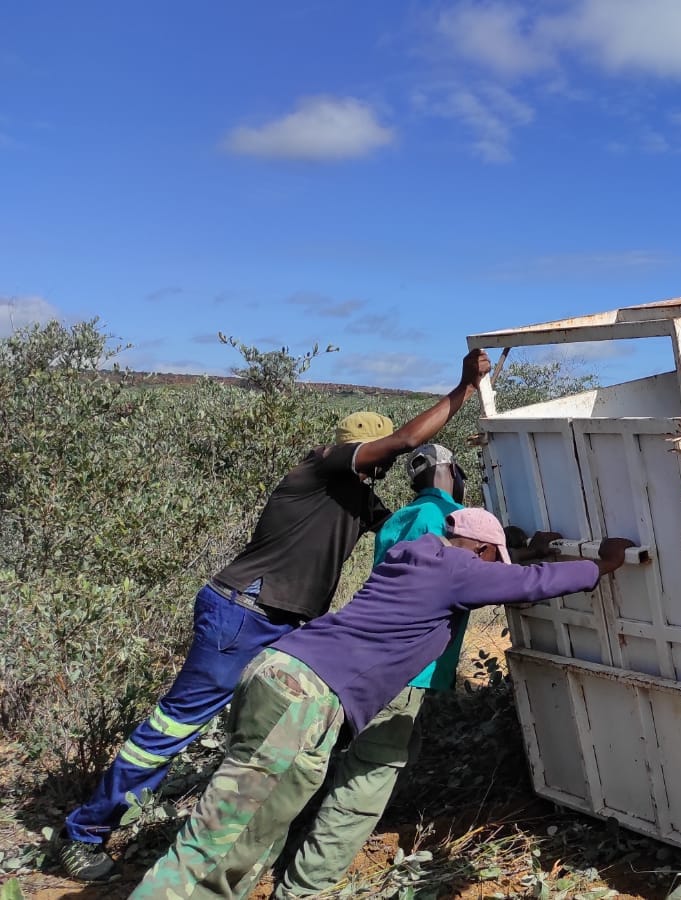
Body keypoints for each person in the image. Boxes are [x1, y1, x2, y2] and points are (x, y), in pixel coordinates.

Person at [59, 350, 492, 882]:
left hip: (286, 627)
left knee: (265, 742)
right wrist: (464, 390)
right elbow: (404, 442)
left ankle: (224, 845)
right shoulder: (318, 466)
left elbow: (430, 524)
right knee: (174, 726)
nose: (381, 465)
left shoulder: (362, 503)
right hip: (242, 611)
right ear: (358, 449)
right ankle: (84, 833)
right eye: (375, 455)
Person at [127, 509, 633, 900]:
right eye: (490, 559)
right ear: (478, 550)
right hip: (304, 696)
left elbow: (500, 576)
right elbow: (529, 586)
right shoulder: (457, 569)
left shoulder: (416, 556)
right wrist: (602, 565)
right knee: (223, 831)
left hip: (279, 675)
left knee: (255, 826)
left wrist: (522, 549)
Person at [270, 444, 472, 899]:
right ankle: (305, 887)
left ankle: (274, 855)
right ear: (451, 473)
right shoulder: (452, 520)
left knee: (345, 759)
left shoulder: (401, 518)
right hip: (406, 670)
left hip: (368, 661)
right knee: (369, 776)